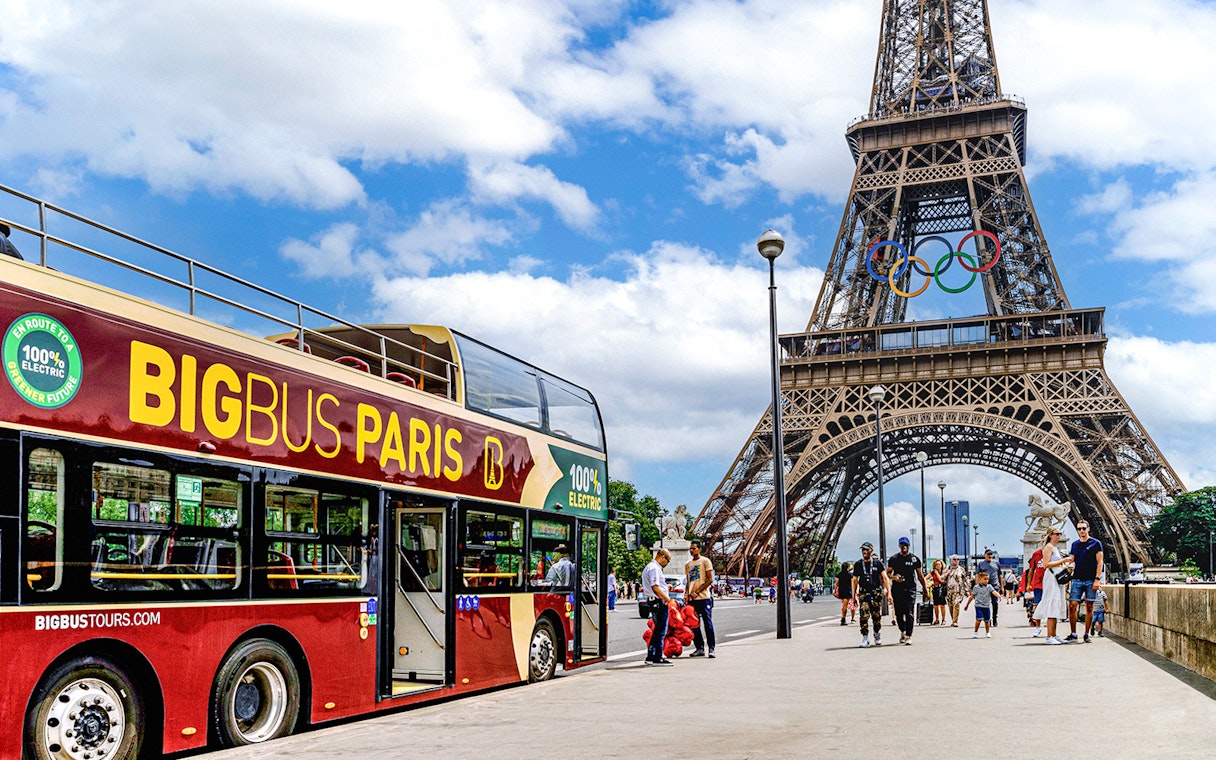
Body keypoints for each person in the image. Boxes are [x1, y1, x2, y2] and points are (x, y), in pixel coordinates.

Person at [1032, 529, 1073, 644]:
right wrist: (1063, 560)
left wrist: (1064, 565)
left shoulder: (1054, 548)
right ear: (1051, 536)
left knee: (1056, 605)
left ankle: (1054, 635)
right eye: (1057, 534)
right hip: (1051, 577)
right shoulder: (1049, 547)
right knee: (1052, 604)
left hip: (1055, 577)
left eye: (1060, 534)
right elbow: (1045, 564)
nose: (1059, 536)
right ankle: (1049, 636)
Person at [886, 536, 929, 645]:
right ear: (899, 546)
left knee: (909, 612)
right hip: (897, 588)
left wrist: (925, 589)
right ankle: (903, 631)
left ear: (909, 546)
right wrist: (895, 577)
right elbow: (887, 573)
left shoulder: (914, 559)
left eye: (906, 545)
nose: (904, 547)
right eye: (902, 545)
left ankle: (909, 635)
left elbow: (920, 576)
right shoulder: (894, 559)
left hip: (910, 588)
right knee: (899, 613)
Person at [1067, 521, 1105, 643]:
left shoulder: (1096, 544)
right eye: (1079, 529)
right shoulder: (1074, 545)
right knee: (1072, 605)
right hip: (1077, 579)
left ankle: (1086, 633)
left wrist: (1097, 579)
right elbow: (1071, 560)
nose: (1081, 531)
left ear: (1088, 529)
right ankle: (1073, 633)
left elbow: (1100, 562)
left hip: (1090, 580)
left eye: (1083, 528)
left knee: (1089, 606)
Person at [852, 542, 891, 648]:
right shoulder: (858, 564)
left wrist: (889, 593)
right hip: (864, 593)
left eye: (866, 549)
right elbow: (854, 580)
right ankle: (865, 637)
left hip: (876, 593)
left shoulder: (878, 563)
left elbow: (885, 578)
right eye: (862, 550)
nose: (864, 552)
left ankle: (877, 633)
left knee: (876, 616)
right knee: (863, 616)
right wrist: (853, 596)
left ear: (871, 550)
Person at [642, 548, 675, 666]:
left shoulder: (649, 567)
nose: (667, 564)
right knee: (661, 630)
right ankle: (658, 657)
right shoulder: (655, 568)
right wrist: (667, 599)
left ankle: (651, 656)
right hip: (659, 602)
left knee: (657, 630)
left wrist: (666, 587)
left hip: (653, 601)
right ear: (662, 557)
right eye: (668, 561)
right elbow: (655, 587)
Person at [684, 539, 716, 658]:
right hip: (693, 599)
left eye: (693, 548)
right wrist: (686, 594)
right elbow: (688, 581)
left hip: (704, 597)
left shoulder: (705, 561)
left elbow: (710, 579)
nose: (691, 551)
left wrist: (697, 592)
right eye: (690, 549)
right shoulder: (688, 564)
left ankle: (711, 648)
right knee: (694, 624)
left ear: (699, 549)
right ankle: (699, 648)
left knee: (708, 624)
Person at [963, 570, 1001, 638]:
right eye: (985, 579)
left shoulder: (989, 587)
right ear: (980, 579)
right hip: (979, 606)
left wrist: (998, 596)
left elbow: (994, 592)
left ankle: (987, 632)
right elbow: (972, 596)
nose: (986, 580)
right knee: (979, 619)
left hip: (986, 606)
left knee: (987, 621)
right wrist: (967, 605)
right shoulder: (976, 587)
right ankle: (975, 632)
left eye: (987, 579)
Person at [976, 550, 1001, 626]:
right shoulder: (980, 564)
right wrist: (977, 585)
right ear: (985, 555)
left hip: (994, 586)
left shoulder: (996, 563)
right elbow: (977, 575)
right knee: (985, 603)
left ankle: (995, 619)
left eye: (991, 554)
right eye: (988, 554)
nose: (990, 556)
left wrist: (1002, 586)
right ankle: (988, 619)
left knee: (995, 603)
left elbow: (999, 575)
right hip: (984, 586)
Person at [944, 555, 968, 626]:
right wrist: (947, 573)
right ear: (951, 560)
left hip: (959, 590)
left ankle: (955, 621)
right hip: (949, 590)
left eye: (958, 559)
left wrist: (967, 590)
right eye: (954, 559)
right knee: (951, 605)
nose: (956, 560)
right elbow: (941, 578)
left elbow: (965, 580)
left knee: (957, 604)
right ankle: (953, 620)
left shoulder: (961, 569)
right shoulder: (947, 568)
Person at [1027, 543, 1046, 636]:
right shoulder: (1036, 554)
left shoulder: (1053, 553)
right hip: (1038, 584)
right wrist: (1028, 584)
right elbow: (1031, 570)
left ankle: (1052, 630)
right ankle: (1037, 627)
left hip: (1050, 583)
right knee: (1037, 606)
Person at [834, 560, 854, 626]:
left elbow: (836, 583)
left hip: (841, 590)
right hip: (847, 590)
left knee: (844, 605)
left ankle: (843, 618)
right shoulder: (850, 575)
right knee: (845, 606)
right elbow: (852, 584)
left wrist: (834, 591)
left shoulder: (839, 574)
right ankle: (843, 619)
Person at [930, 559, 947, 625]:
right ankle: (937, 619)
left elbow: (941, 580)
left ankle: (943, 619)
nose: (938, 565)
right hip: (935, 588)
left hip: (942, 589)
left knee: (942, 605)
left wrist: (937, 573)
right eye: (936, 564)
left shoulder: (944, 572)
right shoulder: (933, 572)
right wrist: (928, 584)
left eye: (939, 564)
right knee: (936, 605)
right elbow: (925, 578)